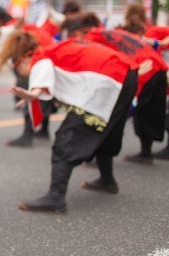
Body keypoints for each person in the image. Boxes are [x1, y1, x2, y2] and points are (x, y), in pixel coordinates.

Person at [2, 29, 138, 213]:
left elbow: (41, 75)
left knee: (68, 136)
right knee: (106, 131)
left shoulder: (40, 57)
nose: (21, 74)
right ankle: (107, 180)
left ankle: (55, 197)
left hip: (108, 79)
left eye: (17, 68)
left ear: (23, 58)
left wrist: (32, 93)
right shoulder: (56, 51)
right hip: (125, 74)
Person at [65, 13, 168, 165]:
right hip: (157, 66)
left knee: (113, 114)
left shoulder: (90, 37)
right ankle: (145, 154)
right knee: (148, 113)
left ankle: (98, 157)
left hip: (143, 70)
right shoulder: (108, 32)